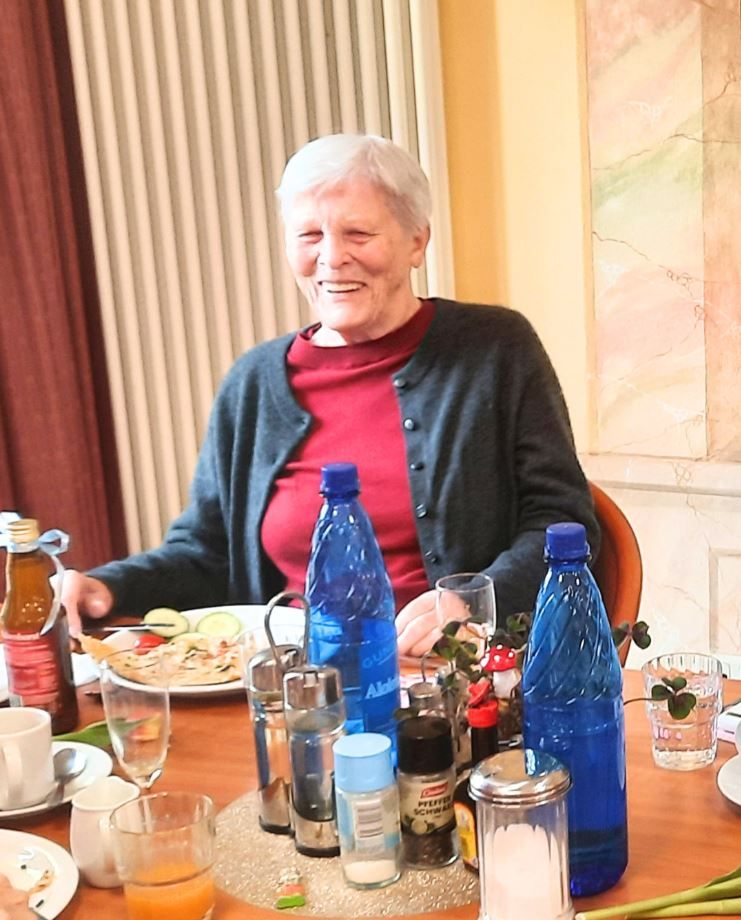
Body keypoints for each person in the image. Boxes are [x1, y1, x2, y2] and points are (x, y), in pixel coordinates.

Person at [61, 133, 598, 656]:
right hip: (295, 682)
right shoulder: (253, 383)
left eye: (358, 234)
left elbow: (561, 519)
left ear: (417, 241)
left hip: (453, 670)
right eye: (309, 235)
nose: (332, 257)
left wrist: (473, 602)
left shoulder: (495, 350)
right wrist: (110, 587)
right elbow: (205, 551)